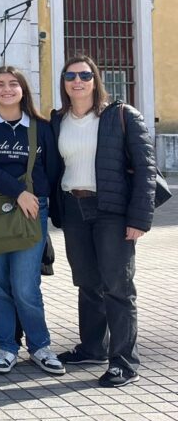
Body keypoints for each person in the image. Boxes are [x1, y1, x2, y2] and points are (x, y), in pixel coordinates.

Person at [52, 56, 156, 387]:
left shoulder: (121, 115)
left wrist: (139, 218)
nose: (78, 81)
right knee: (87, 283)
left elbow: (146, 169)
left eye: (85, 75)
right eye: (71, 76)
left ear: (96, 80)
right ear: (63, 82)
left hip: (111, 210)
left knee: (117, 287)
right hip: (74, 208)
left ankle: (124, 362)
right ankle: (93, 348)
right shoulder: (58, 119)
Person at [0, 66, 64, 377]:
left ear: (23, 90)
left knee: (25, 287)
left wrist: (40, 201)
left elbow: (52, 170)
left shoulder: (41, 127)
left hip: (32, 210)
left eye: (13, 84)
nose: (6, 89)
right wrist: (19, 192)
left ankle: (40, 347)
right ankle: (6, 346)